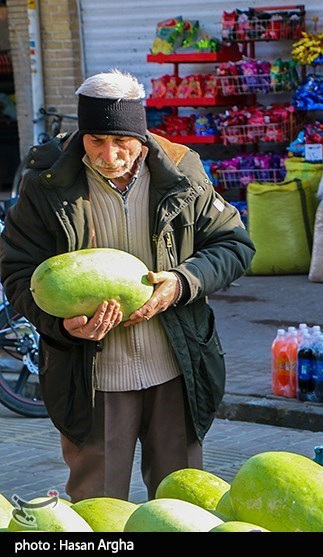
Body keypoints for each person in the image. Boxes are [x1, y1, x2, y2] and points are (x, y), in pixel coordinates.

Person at [0, 69, 255, 502]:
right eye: (95, 141)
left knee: (182, 501)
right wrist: (61, 326)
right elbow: (18, 270)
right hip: (92, 376)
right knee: (97, 505)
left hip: (175, 367)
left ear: (141, 135)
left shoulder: (181, 170)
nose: (109, 155)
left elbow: (234, 244)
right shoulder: (48, 182)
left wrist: (180, 282)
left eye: (121, 142)